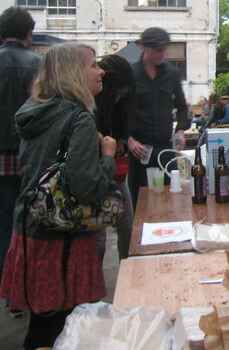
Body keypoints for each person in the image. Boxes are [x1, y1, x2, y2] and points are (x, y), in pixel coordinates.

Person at [0, 42, 117, 350]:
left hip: (32, 228)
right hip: (64, 237)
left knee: (43, 325)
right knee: (66, 329)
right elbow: (87, 188)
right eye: (93, 65)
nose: (101, 71)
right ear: (73, 73)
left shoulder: (35, 112)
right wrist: (107, 156)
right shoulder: (78, 118)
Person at [0, 6, 41, 317]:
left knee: (4, 227)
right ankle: (29, 289)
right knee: (30, 225)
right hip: (30, 156)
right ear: (29, 33)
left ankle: (10, 295)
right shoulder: (38, 65)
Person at [127, 27, 190, 209]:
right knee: (141, 202)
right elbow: (120, 112)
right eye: (157, 49)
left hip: (165, 148)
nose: (162, 53)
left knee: (171, 198)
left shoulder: (171, 74)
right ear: (144, 47)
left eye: (164, 49)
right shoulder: (131, 74)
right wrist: (129, 140)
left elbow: (182, 107)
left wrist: (180, 130)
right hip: (140, 151)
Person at [95, 54, 136, 261]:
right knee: (98, 240)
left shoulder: (121, 106)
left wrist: (121, 143)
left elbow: (125, 130)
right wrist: (103, 148)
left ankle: (128, 275)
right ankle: (93, 282)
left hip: (116, 173)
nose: (118, 100)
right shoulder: (88, 107)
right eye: (117, 95)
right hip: (94, 176)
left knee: (128, 227)